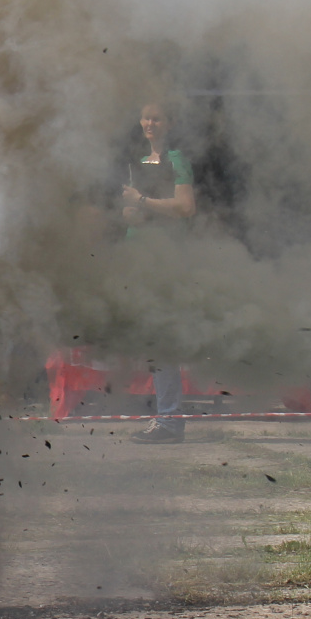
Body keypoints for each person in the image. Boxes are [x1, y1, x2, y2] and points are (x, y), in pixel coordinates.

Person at [120, 100, 196, 444]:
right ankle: (164, 416)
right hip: (139, 255)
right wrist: (132, 212)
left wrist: (141, 203)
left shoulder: (176, 159)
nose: (150, 123)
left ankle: (169, 420)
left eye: (157, 118)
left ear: (169, 123)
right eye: (146, 116)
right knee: (153, 340)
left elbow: (184, 207)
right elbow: (131, 210)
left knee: (163, 339)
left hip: (165, 258)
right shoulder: (138, 161)